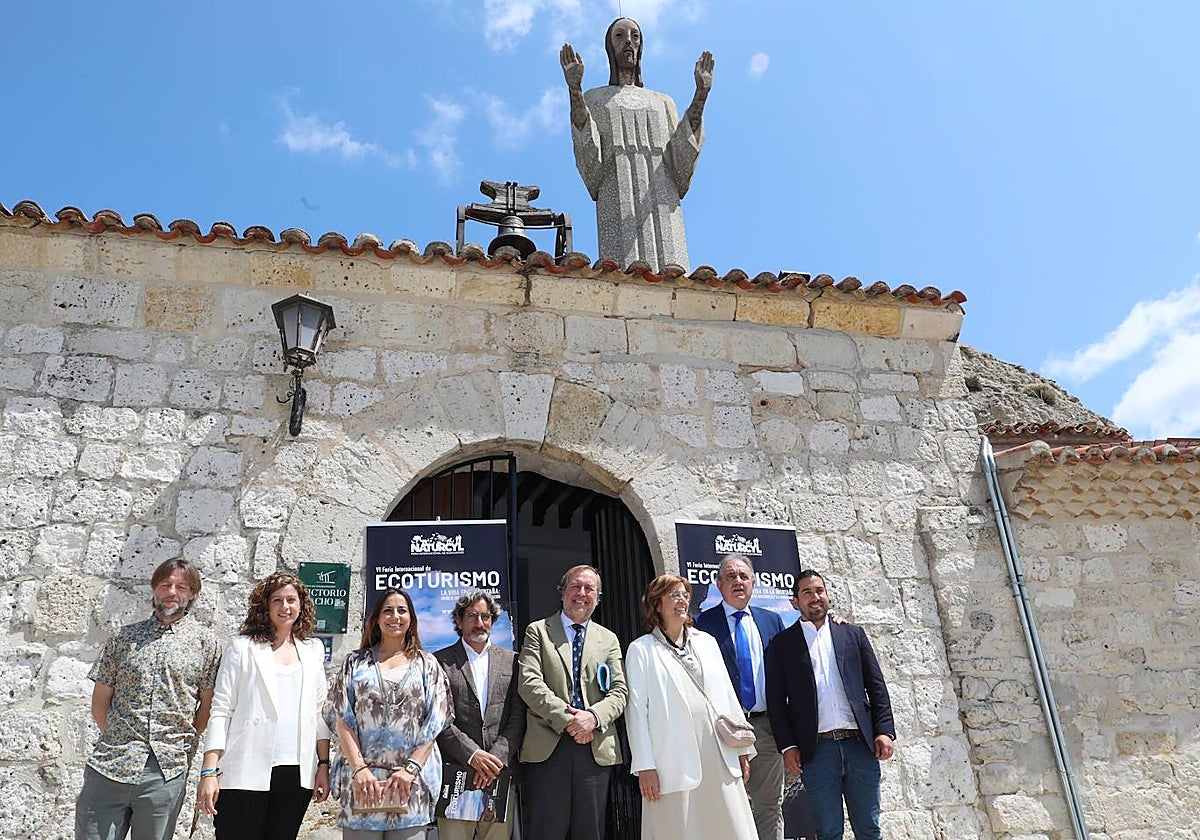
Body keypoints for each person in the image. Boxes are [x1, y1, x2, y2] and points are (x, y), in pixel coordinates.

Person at [76, 557, 222, 840]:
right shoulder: (123, 638)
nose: (172, 592)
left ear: (192, 594)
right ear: (154, 588)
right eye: (165, 584)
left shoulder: (206, 644)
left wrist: (178, 745)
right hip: (109, 767)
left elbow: (207, 707)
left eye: (181, 587)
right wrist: (119, 738)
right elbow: (100, 703)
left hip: (165, 772)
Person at [560, 17, 714, 272]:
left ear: (641, 45)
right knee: (621, 273)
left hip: (663, 203)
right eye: (620, 36)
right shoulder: (595, 99)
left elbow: (681, 156)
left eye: (635, 36)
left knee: (673, 272)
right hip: (617, 198)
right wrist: (575, 89)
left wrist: (701, 94)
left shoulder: (663, 102)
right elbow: (588, 150)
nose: (628, 41)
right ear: (610, 47)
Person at [196, 572, 332, 840]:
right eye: (277, 600)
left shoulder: (313, 650)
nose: (285, 607)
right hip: (246, 768)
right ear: (265, 606)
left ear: (301, 605)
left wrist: (323, 765)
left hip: (296, 773)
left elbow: (320, 713)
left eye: (291, 600)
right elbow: (221, 710)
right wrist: (209, 771)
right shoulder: (242, 648)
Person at [765, 571, 896, 840]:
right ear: (795, 602)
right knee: (828, 831)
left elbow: (876, 686)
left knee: (869, 828)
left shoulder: (852, 634)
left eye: (819, 591)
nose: (815, 597)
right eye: (807, 592)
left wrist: (884, 730)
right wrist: (788, 746)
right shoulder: (782, 645)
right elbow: (776, 702)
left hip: (859, 746)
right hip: (817, 751)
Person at [625, 574, 757, 839]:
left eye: (685, 595)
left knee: (729, 827)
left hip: (717, 751)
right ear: (657, 604)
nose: (682, 600)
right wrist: (645, 766)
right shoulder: (641, 650)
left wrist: (742, 749)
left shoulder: (707, 642)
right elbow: (636, 712)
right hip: (671, 759)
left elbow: (727, 695)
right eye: (674, 595)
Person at [324, 587, 453, 840]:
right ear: (376, 619)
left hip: (409, 784)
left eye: (402, 610)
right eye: (388, 611)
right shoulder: (355, 662)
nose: (395, 616)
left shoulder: (427, 665)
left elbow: (435, 721)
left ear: (411, 619)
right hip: (363, 783)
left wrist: (410, 770)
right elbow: (341, 718)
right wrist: (360, 769)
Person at [517, 565, 628, 840]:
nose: (582, 593)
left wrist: (593, 718)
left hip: (594, 747)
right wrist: (571, 721)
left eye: (589, 589)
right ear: (562, 592)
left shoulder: (609, 639)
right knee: (546, 832)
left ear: (598, 598)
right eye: (575, 586)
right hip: (549, 746)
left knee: (590, 832)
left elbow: (620, 691)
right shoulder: (538, 631)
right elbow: (529, 683)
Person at [694, 554, 786, 840]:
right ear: (719, 584)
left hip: (766, 728)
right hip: (723, 729)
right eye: (730, 576)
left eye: (743, 576)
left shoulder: (771, 621)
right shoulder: (701, 624)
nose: (738, 581)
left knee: (769, 805)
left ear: (753, 583)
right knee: (728, 806)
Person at [434, 590, 526, 840]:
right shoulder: (439, 662)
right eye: (472, 615)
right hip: (456, 774)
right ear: (458, 620)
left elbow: (518, 716)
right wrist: (473, 755)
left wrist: (495, 759)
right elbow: (440, 719)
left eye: (486, 616)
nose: (479, 622)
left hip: (499, 775)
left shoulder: (512, 661)